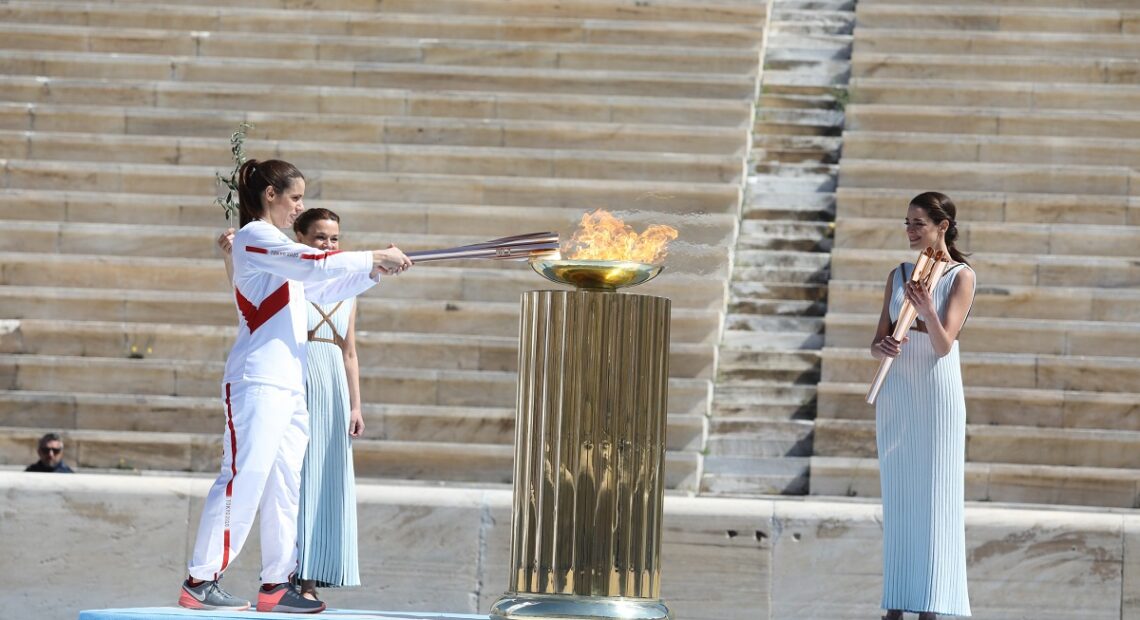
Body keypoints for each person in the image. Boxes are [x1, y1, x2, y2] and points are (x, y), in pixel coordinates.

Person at [180, 159, 412, 614]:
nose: (299, 207)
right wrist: (370, 257)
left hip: (290, 384)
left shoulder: (279, 251)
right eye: (296, 198)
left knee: (285, 483)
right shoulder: (255, 238)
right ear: (271, 195)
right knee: (244, 478)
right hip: (256, 380)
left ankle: (276, 584)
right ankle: (200, 580)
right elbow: (313, 262)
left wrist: (373, 273)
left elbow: (321, 289)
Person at [217, 207, 365, 604]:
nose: (329, 245)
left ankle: (298, 577)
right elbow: (250, 299)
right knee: (274, 477)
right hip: (290, 374)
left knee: (307, 480)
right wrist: (233, 258)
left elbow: (349, 348)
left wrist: (355, 404)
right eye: (320, 237)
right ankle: (267, 575)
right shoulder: (288, 268)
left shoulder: (336, 283)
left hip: (325, 382)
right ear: (299, 238)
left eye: (335, 238)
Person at [870, 191, 975, 620]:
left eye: (919, 223)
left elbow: (943, 344)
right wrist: (883, 345)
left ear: (942, 226)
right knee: (899, 502)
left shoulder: (962, 276)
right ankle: (895, 605)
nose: (911, 231)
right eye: (907, 223)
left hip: (936, 397)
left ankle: (931, 606)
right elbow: (877, 343)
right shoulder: (898, 275)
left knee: (934, 501)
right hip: (897, 396)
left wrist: (927, 308)